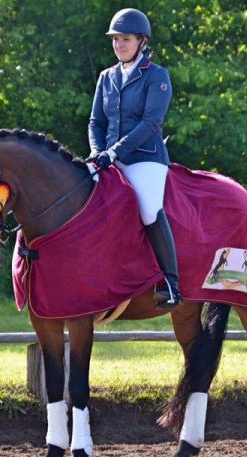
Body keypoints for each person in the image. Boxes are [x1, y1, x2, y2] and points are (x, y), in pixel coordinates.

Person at [87, 8, 181, 308]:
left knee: (149, 209)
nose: (119, 45)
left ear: (141, 41)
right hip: (108, 158)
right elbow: (96, 122)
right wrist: (95, 151)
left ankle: (171, 283)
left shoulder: (157, 76)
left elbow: (150, 123)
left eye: (125, 39)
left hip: (145, 158)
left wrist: (113, 152)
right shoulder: (107, 77)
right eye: (115, 39)